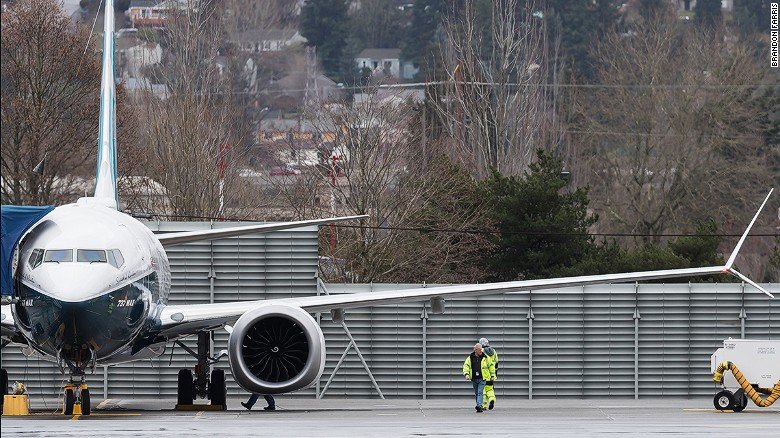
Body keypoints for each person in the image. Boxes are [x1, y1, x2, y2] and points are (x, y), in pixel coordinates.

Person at [462, 343, 496, 413]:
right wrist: (466, 374)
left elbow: (491, 366)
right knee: (477, 393)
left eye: (481, 349)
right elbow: (466, 366)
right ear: (475, 350)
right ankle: (479, 405)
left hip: (482, 378)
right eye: (480, 350)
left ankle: (479, 406)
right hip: (474, 378)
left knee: (480, 392)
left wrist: (493, 375)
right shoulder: (470, 358)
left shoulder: (486, 357)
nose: (481, 351)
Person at [479, 337, 499, 410]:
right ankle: (491, 399)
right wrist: (494, 374)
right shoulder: (494, 351)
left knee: (483, 389)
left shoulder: (481, 351)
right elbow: (496, 362)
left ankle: (483, 405)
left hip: (484, 373)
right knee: (490, 389)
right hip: (492, 373)